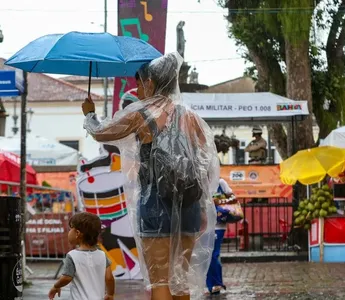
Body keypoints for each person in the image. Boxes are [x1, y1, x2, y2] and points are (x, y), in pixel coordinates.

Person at [81, 52, 219, 300]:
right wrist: (200, 205)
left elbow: (102, 133)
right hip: (188, 202)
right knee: (180, 278)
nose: (137, 89)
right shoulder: (191, 117)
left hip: (155, 202)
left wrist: (89, 114)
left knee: (160, 280)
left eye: (140, 82)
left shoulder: (142, 113)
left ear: (151, 83)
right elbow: (204, 165)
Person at [48, 212, 115, 300]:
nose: (69, 232)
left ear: (77, 233)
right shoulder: (102, 255)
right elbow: (109, 277)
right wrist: (110, 294)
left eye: (70, 229)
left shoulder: (72, 256)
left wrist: (56, 286)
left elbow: (66, 278)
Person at [206, 178, 233, 295]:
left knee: (214, 254)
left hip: (218, 225)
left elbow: (232, 198)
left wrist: (218, 201)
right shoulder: (200, 181)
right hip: (205, 225)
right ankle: (210, 285)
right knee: (207, 255)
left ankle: (217, 283)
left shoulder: (220, 182)